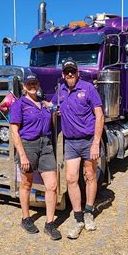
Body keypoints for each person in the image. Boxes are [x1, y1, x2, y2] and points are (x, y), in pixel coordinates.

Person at [51, 59, 105, 239]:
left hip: (89, 140)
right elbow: (51, 108)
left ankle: (89, 212)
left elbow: (99, 115)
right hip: (71, 143)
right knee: (71, 178)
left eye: (72, 71)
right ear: (63, 75)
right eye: (67, 72)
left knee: (90, 175)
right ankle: (78, 218)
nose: (70, 75)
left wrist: (96, 142)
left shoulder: (88, 88)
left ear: (78, 73)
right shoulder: (60, 92)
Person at [9, 73, 61, 240]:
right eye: (29, 84)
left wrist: (50, 106)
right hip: (28, 146)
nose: (32, 86)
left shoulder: (43, 104)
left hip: (46, 145)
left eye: (34, 83)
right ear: (24, 86)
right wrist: (22, 156)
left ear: (38, 85)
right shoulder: (19, 105)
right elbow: (14, 132)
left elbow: (55, 112)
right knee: (26, 184)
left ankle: (50, 223)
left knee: (52, 185)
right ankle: (25, 218)